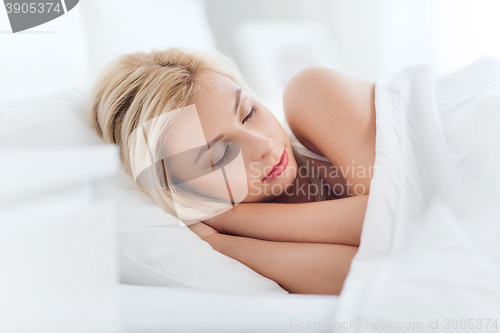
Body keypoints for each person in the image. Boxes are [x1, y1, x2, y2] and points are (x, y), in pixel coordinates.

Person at [87, 47, 376, 295]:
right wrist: (217, 243)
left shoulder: (313, 92)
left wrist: (232, 219)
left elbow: (394, 216)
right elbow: (379, 276)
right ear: (185, 191)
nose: (263, 144)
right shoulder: (247, 245)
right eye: (221, 155)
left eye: (249, 112)